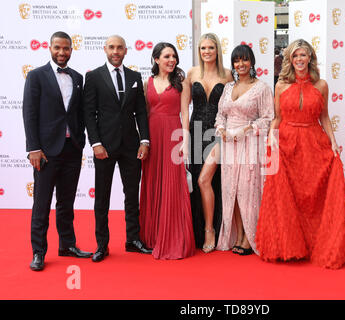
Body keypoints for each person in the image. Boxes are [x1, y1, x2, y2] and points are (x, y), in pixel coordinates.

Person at [255, 39, 345, 269]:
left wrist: (334, 142)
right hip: (288, 143)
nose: (300, 59)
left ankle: (315, 244)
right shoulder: (280, 86)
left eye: (304, 55)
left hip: (313, 142)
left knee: (313, 198)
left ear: (310, 57)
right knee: (289, 197)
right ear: (290, 59)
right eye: (295, 56)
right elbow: (277, 118)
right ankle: (290, 246)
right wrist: (272, 137)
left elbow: (325, 117)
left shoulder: (321, 85)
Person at [23, 31, 92, 271]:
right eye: (57, 48)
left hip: (71, 149)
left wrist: (81, 141)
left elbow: (79, 113)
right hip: (45, 152)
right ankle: (38, 252)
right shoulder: (36, 76)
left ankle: (67, 244)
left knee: (66, 202)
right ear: (50, 48)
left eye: (66, 48)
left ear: (72, 50)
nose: (62, 52)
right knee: (41, 204)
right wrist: (33, 148)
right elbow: (29, 113)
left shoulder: (77, 77)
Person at [83, 35, 152, 262]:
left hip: (131, 146)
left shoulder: (134, 76)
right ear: (105, 49)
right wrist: (96, 143)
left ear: (125, 50)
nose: (115, 51)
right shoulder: (93, 77)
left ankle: (132, 239)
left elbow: (141, 112)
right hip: (104, 147)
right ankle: (102, 245)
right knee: (101, 197)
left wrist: (144, 141)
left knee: (132, 195)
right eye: (111, 47)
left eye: (119, 47)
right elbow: (89, 114)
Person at [215, 44, 274, 256]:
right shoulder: (228, 88)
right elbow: (221, 114)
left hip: (251, 144)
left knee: (248, 191)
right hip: (230, 143)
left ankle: (251, 237)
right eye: (236, 61)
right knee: (232, 192)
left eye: (244, 60)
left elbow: (268, 117)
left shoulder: (262, 88)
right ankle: (239, 235)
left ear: (252, 62)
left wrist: (249, 128)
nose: (240, 64)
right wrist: (221, 128)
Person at [139, 42, 195, 260]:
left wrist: (185, 139)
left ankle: (173, 238)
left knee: (173, 185)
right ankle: (152, 236)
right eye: (166, 56)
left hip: (173, 135)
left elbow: (184, 114)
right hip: (153, 137)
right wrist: (143, 140)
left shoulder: (181, 82)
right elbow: (144, 113)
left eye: (174, 56)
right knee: (153, 182)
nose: (171, 60)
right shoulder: (148, 83)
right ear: (156, 59)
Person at [186, 33, 233, 253]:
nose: (207, 52)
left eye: (211, 48)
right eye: (203, 48)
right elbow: (183, 108)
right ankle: (197, 231)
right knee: (198, 181)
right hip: (195, 132)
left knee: (207, 180)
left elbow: (233, 107)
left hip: (217, 134)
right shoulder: (192, 73)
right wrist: (184, 137)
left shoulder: (227, 75)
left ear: (217, 50)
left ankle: (210, 229)